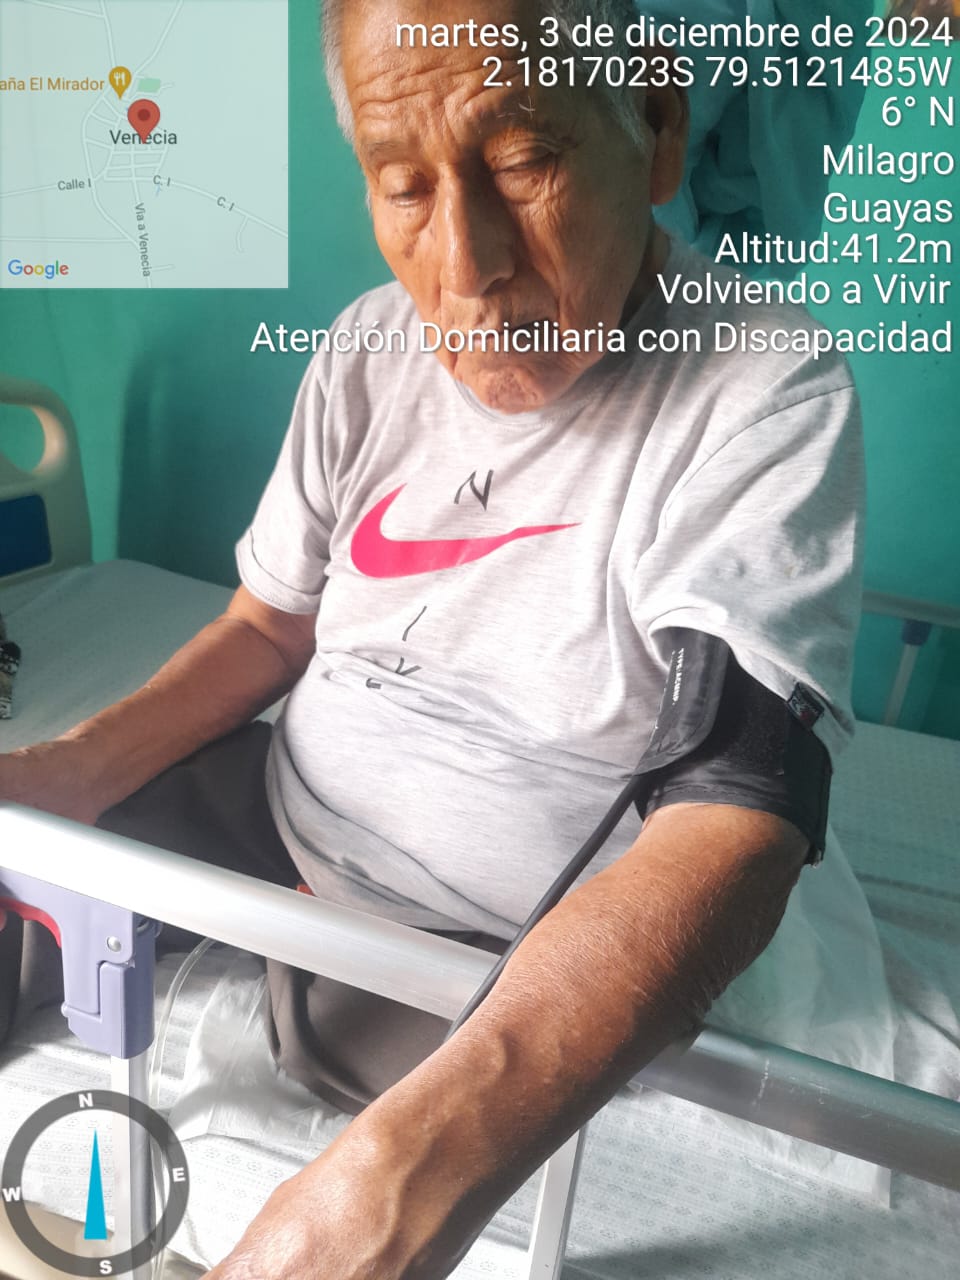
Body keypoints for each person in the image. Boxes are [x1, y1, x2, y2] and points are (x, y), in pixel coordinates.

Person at [0, 1, 868, 1276]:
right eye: (405, 187)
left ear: (656, 123)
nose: (466, 265)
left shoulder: (761, 384)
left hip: (486, 934)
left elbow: (737, 808)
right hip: (280, 813)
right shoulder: (366, 348)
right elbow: (265, 626)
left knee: (411, 1095)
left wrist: (397, 1181)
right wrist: (67, 768)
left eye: (524, 161)